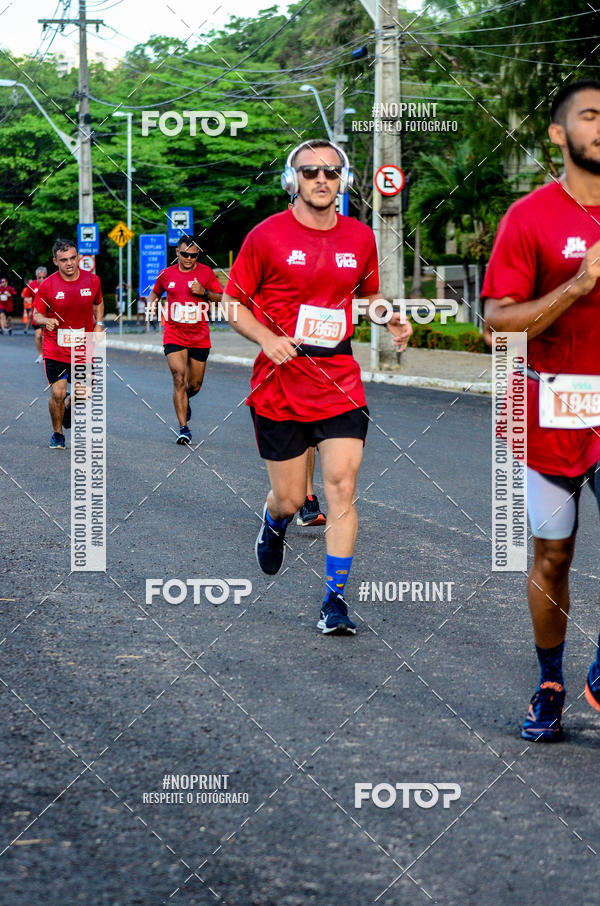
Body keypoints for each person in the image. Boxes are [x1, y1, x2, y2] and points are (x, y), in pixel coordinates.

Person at [221, 138, 412, 634]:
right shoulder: (265, 237)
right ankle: (275, 519)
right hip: (279, 383)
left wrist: (389, 317)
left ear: (343, 179)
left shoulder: (359, 237)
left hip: (339, 379)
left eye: (330, 171)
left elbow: (367, 295)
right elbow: (232, 302)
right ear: (294, 180)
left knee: (342, 489)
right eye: (310, 172)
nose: (321, 179)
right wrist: (267, 339)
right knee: (288, 498)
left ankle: (334, 601)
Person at [482, 80, 600, 741]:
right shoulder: (529, 218)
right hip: (548, 406)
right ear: (559, 134)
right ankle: (550, 681)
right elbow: (498, 323)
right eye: (590, 116)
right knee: (553, 555)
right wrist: (580, 283)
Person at [146, 235, 223, 444]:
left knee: (195, 385)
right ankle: (183, 428)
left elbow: (223, 297)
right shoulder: (166, 274)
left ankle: (185, 399)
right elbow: (154, 294)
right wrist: (151, 305)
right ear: (177, 253)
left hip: (199, 336)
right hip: (174, 333)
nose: (189, 258)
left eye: (194, 255)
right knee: (179, 377)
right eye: (185, 254)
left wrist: (204, 292)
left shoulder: (206, 273)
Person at [33, 239, 104, 448]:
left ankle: (69, 407)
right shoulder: (48, 285)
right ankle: (58, 434)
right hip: (56, 348)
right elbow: (37, 315)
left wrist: (99, 324)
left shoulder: (92, 280)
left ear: (79, 257)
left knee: (85, 393)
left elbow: (99, 303)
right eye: (64, 260)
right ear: (56, 261)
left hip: (84, 347)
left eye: (73, 258)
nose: (70, 263)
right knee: (57, 392)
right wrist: (46, 321)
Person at [22, 267, 48, 360]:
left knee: (47, 337)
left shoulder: (50, 283)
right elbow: (26, 297)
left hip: (48, 316)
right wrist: (30, 300)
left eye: (44, 277)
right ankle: (40, 355)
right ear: (36, 277)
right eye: (39, 277)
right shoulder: (31, 285)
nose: (42, 279)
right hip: (36, 315)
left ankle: (48, 355)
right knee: (38, 336)